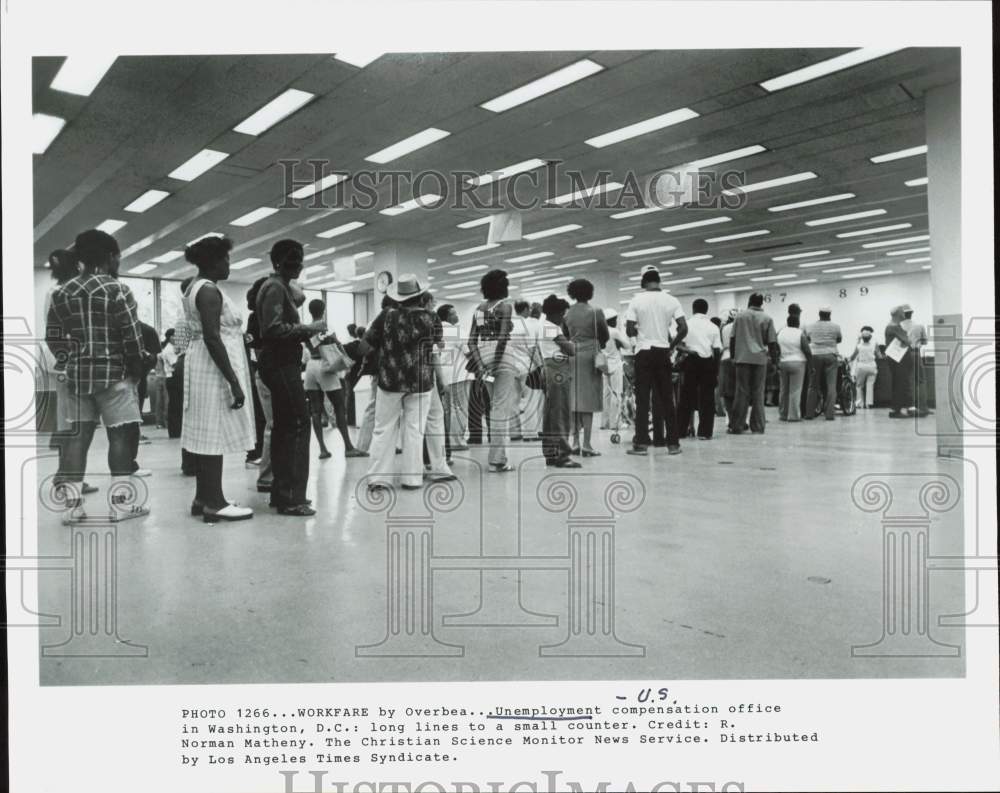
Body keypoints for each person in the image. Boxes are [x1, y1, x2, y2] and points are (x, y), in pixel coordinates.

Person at [45, 230, 148, 521]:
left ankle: (73, 509)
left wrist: (70, 359)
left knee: (78, 440)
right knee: (121, 438)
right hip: (114, 375)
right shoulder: (117, 290)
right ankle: (121, 506)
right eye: (118, 257)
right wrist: (136, 369)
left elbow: (52, 337)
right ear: (110, 256)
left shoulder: (62, 293)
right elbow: (132, 337)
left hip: (77, 377)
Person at [179, 236, 255, 522]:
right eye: (225, 259)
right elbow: (213, 337)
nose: (228, 264)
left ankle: (203, 496)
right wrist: (233, 381)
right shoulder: (209, 291)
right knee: (214, 433)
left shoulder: (194, 287)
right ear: (213, 261)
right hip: (212, 368)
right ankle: (215, 501)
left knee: (205, 433)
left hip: (200, 363)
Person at [360, 275, 455, 491]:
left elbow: (365, 345)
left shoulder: (386, 316)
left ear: (399, 297)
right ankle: (412, 479)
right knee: (415, 430)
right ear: (420, 296)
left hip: (390, 380)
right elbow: (439, 345)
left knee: (384, 428)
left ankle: (378, 479)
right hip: (421, 382)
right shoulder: (432, 318)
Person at [255, 239, 325, 516]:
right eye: (293, 261)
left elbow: (296, 299)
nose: (298, 265)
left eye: (300, 260)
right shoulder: (274, 287)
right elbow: (272, 329)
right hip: (280, 362)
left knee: (285, 428)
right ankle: (291, 497)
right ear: (279, 262)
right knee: (297, 425)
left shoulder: (277, 286)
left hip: (279, 363)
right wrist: (309, 328)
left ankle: (282, 493)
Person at [44, 249, 99, 497]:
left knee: (70, 424)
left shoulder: (61, 292)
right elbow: (55, 334)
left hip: (66, 364)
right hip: (68, 365)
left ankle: (66, 476)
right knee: (73, 426)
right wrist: (67, 362)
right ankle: (65, 478)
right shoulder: (64, 294)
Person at [624, 268, 687, 455]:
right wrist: (671, 345)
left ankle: (641, 445)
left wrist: (639, 333)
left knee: (643, 400)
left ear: (643, 283)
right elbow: (683, 328)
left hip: (643, 352)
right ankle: (673, 444)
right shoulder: (672, 300)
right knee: (668, 398)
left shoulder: (636, 300)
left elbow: (629, 330)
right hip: (662, 352)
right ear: (659, 282)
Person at [468, 269, 521, 473]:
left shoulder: (479, 309)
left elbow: (471, 341)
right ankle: (498, 460)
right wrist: (497, 361)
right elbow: (501, 337)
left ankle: (498, 457)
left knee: (492, 407)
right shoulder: (505, 307)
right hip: (502, 356)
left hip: (483, 353)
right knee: (501, 408)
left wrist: (482, 364)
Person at [303, 299, 366, 460]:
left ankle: (323, 449)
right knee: (338, 406)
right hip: (325, 366)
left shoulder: (306, 329)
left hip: (311, 366)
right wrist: (346, 361)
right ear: (323, 310)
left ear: (310, 311)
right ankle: (348, 447)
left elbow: (309, 346)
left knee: (315, 410)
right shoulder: (326, 327)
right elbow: (336, 345)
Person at [564, 278, 610, 456]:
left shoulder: (567, 313)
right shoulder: (596, 311)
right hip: (590, 357)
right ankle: (587, 445)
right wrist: (599, 345)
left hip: (572, 356)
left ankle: (574, 443)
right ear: (589, 292)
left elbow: (565, 334)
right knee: (588, 402)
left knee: (574, 401)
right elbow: (604, 334)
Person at [538, 295, 580, 468]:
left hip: (548, 367)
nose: (563, 317)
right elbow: (570, 350)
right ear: (554, 313)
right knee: (561, 414)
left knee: (550, 414)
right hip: (558, 368)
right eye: (562, 313)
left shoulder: (542, 326)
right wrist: (573, 342)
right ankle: (563, 455)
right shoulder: (552, 328)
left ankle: (550, 453)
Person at [729, 292, 778, 434]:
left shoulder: (740, 317)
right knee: (758, 393)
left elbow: (733, 338)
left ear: (749, 301)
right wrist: (774, 362)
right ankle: (758, 426)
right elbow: (772, 342)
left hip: (742, 358)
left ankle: (737, 425)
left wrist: (733, 356)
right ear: (762, 303)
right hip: (760, 359)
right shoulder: (767, 318)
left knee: (741, 392)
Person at [676, 298, 722, 440]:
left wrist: (688, 351)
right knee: (707, 398)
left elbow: (677, 345)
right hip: (707, 363)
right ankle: (705, 432)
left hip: (690, 361)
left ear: (693, 309)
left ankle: (681, 431)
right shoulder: (713, 327)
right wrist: (715, 370)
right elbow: (717, 350)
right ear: (706, 310)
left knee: (685, 397)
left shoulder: (686, 325)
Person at [244, 277, 274, 493]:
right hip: (268, 373)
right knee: (273, 425)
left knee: (273, 425)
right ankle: (266, 477)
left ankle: (270, 475)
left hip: (265, 373)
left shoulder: (258, 317)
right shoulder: (257, 318)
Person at [436, 303, 471, 451]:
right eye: (454, 313)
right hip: (459, 375)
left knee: (448, 410)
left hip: (443, 376)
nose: (457, 316)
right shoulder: (456, 331)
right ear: (448, 317)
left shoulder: (436, 331)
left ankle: (448, 442)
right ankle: (457, 441)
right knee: (461, 409)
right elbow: (468, 352)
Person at [513, 300, 544, 443]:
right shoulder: (527, 325)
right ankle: (530, 433)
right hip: (527, 368)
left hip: (511, 368)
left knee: (514, 402)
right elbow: (532, 349)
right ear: (526, 309)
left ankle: (514, 433)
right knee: (531, 400)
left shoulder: (510, 325)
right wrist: (541, 366)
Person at [804, 306, 843, 421]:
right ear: (829, 315)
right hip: (831, 355)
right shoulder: (836, 326)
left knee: (813, 385)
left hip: (815, 355)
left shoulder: (810, 326)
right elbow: (839, 340)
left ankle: (809, 413)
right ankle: (830, 414)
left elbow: (808, 339)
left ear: (819, 314)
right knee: (831, 386)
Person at [777, 312, 811, 422]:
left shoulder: (781, 333)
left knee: (783, 389)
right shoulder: (800, 333)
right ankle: (794, 416)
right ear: (798, 323)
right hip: (798, 362)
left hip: (783, 362)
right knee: (795, 390)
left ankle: (783, 414)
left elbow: (776, 348)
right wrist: (811, 364)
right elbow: (806, 349)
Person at [601, 309, 630, 431]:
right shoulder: (615, 332)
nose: (616, 322)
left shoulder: (600, 332)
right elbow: (627, 345)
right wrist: (619, 343)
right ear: (612, 320)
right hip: (615, 364)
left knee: (606, 395)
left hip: (604, 365)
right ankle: (615, 423)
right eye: (615, 319)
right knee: (616, 393)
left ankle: (604, 423)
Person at [885, 305, 915, 418]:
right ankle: (896, 410)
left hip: (894, 359)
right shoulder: (895, 327)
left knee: (897, 384)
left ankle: (896, 409)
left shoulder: (889, 326)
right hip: (900, 360)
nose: (904, 315)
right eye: (903, 313)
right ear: (898, 314)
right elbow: (908, 341)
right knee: (901, 384)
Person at [901, 305, 930, 417]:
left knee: (907, 381)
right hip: (916, 354)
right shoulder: (919, 326)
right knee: (920, 381)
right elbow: (925, 342)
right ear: (911, 314)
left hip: (903, 356)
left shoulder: (898, 327)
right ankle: (923, 407)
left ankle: (910, 407)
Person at [849, 325, 880, 409]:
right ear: (870, 336)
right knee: (870, 385)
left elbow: (853, 356)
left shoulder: (859, 345)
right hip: (872, 366)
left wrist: (849, 359)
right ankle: (868, 404)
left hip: (861, 367)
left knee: (859, 386)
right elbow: (879, 356)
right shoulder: (874, 344)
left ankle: (860, 404)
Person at [718, 308, 738, 425]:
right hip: (738, 359)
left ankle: (730, 418)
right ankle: (740, 419)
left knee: (727, 392)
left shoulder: (723, 328)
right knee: (739, 391)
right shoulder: (740, 328)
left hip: (725, 357)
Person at [149, 329, 172, 428]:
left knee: (158, 401)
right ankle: (167, 422)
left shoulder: (159, 349)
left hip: (157, 376)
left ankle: (158, 422)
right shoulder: (169, 349)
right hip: (166, 376)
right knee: (167, 400)